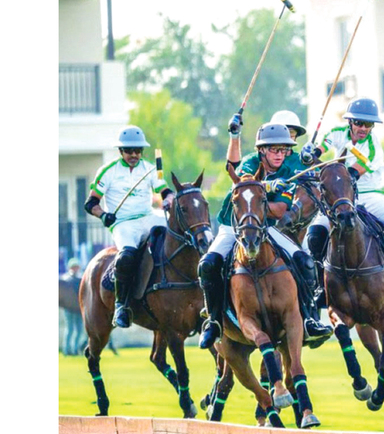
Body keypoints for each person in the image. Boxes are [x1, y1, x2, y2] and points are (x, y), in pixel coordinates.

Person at [196, 115, 334, 349]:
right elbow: (242, 183)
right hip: (233, 226)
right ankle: (214, 321)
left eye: (284, 149)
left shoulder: (289, 169)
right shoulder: (250, 163)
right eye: (274, 150)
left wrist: (314, 157)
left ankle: (309, 318)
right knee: (208, 264)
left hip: (266, 227)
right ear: (261, 150)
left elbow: (280, 210)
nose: (280, 155)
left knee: (305, 262)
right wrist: (266, 186)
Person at [299, 97, 384, 315]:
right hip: (342, 196)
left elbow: (352, 173)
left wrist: (326, 169)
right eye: (359, 123)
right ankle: (320, 286)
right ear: (350, 122)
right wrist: (310, 154)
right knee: (314, 234)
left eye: (368, 124)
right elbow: (322, 148)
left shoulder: (373, 147)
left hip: (370, 196)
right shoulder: (337, 132)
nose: (363, 128)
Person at [84, 126, 174, 328]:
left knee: (179, 234)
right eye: (129, 150)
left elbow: (166, 192)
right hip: (123, 223)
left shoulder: (150, 169)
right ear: (120, 151)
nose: (134, 155)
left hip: (148, 217)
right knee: (126, 257)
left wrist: (169, 200)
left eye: (138, 150)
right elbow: (90, 203)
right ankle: (121, 306)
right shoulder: (108, 171)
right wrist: (103, 215)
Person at [269, 110, 307, 175]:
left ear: (296, 136)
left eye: (291, 132)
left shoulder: (303, 163)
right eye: (281, 132)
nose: (286, 137)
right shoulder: (257, 160)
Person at [61, 258, 85, 355]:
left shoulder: (81, 279)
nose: (75, 269)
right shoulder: (66, 279)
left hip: (78, 308)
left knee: (79, 330)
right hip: (69, 308)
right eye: (73, 267)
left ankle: (75, 349)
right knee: (70, 329)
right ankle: (67, 350)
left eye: (76, 267)